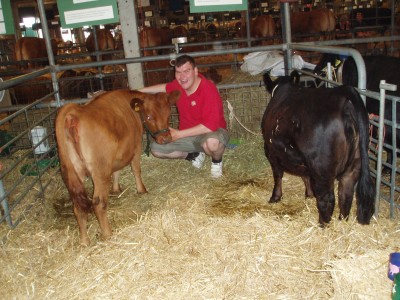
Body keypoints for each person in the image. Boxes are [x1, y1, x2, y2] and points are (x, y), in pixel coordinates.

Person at [139, 54, 229, 178]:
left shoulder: (208, 89)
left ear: (195, 71)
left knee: (211, 144)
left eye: (186, 71)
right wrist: (138, 91)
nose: (182, 77)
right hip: (189, 134)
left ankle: (216, 162)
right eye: (178, 72)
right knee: (156, 150)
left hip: (212, 132)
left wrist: (179, 134)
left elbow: (210, 126)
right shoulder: (178, 85)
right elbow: (164, 87)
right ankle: (194, 155)